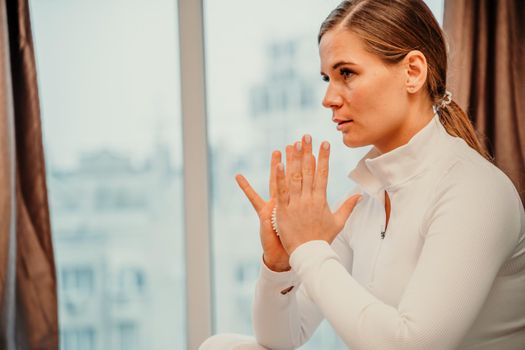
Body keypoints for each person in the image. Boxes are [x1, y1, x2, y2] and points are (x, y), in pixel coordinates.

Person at [200, 0, 525, 349]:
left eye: (347, 73)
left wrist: (309, 250)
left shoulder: (473, 191)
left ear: (413, 72)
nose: (327, 98)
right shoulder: (367, 199)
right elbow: (280, 338)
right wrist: (280, 264)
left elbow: (412, 345)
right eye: (327, 78)